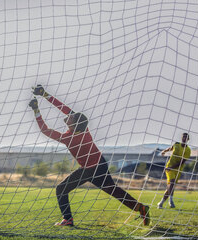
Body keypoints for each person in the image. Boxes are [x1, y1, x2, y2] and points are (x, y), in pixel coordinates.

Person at [29, 85, 150, 227]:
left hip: (89, 170)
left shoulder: (67, 138)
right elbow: (62, 108)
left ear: (74, 124)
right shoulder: (83, 129)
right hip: (100, 164)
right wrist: (45, 95)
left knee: (61, 189)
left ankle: (67, 219)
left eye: (71, 117)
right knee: (114, 191)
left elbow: (45, 130)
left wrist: (36, 110)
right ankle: (140, 208)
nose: (68, 115)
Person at [158, 133, 191, 209]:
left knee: (170, 187)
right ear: (181, 138)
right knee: (172, 183)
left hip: (178, 169)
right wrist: (164, 151)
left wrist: (173, 167)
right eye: (183, 137)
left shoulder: (188, 150)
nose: (184, 138)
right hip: (169, 167)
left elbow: (182, 162)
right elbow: (171, 148)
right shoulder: (176, 144)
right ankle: (171, 201)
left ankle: (161, 203)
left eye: (186, 137)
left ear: (188, 139)